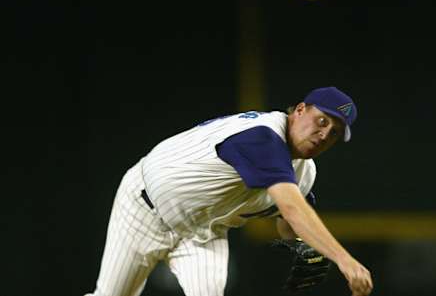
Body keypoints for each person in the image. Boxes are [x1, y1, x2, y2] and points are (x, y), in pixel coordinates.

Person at [85, 86, 373, 296]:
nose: (324, 134)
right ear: (299, 110)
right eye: (322, 121)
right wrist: (343, 259)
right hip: (143, 210)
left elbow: (287, 220)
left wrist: (305, 248)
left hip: (202, 233)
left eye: (335, 132)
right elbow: (293, 210)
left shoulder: (304, 173)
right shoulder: (263, 136)